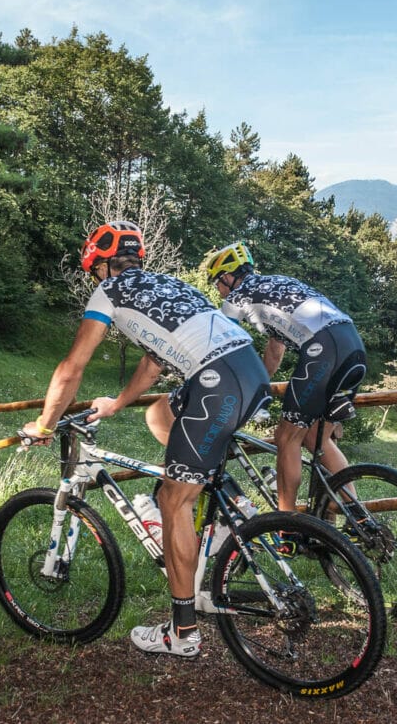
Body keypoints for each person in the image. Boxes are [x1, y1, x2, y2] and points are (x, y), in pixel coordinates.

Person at [23, 222, 270, 658]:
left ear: (98, 265)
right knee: (162, 417)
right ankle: (221, 515)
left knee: (176, 501)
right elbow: (153, 365)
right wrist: (117, 404)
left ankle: (183, 632)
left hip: (216, 384)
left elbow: (71, 366)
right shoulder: (166, 286)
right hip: (249, 372)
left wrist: (44, 424)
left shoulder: (108, 292)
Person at [202, 242, 366, 520]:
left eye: (217, 282)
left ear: (228, 277)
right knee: (316, 438)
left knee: (286, 437)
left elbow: (224, 347)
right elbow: (275, 352)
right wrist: (256, 390)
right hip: (353, 347)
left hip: (323, 350)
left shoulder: (238, 297)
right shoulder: (278, 285)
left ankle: (286, 525)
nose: (218, 290)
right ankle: (360, 518)